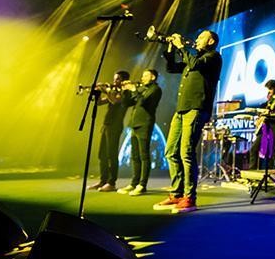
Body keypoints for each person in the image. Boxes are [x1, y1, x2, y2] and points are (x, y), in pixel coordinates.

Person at [153, 30, 222, 213]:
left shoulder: (213, 57)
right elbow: (171, 68)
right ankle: (176, 194)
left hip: (196, 108)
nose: (197, 39)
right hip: (182, 109)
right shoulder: (194, 58)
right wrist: (171, 49)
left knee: (186, 152)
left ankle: (190, 198)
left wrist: (181, 47)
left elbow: (194, 64)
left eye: (201, 37)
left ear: (210, 41)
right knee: (170, 152)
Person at [117, 69, 163, 197]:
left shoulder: (155, 90)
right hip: (134, 124)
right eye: (142, 76)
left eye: (145, 75)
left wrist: (133, 89)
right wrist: (125, 91)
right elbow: (126, 104)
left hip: (145, 124)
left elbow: (143, 102)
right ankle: (134, 183)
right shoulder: (142, 89)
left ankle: (142, 185)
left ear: (153, 77)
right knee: (135, 156)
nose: (142, 78)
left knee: (144, 155)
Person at [88, 70, 129, 192]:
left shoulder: (125, 93)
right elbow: (100, 103)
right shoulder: (113, 92)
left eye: (117, 79)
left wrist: (106, 90)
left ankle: (112, 182)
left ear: (124, 81)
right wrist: (97, 93)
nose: (114, 81)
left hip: (115, 126)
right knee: (102, 154)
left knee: (112, 154)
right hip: (106, 125)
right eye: (114, 79)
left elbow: (115, 101)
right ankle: (103, 180)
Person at [248, 79, 275, 169]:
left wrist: (268, 114)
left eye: (270, 88)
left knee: (274, 150)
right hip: (266, 126)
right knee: (254, 148)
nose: (269, 91)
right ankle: (252, 171)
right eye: (268, 89)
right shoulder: (270, 100)